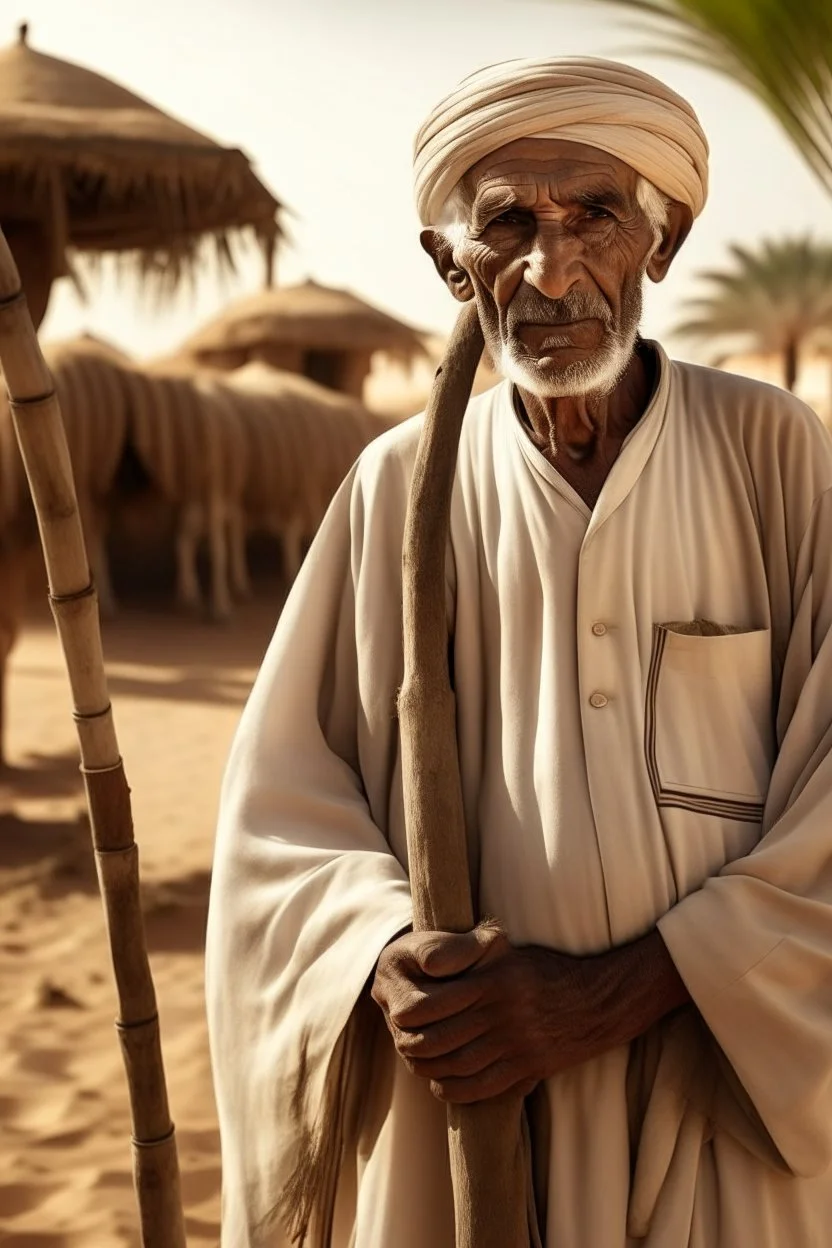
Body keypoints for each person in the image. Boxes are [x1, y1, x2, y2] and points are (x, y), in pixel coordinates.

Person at [205, 56, 832, 1247]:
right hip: (479, 1106)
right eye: (507, 225)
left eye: (595, 214)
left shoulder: (772, 452)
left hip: (720, 1091)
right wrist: (379, 951)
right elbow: (282, 804)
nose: (554, 269)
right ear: (452, 264)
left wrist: (617, 992)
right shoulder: (399, 487)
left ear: (664, 238)